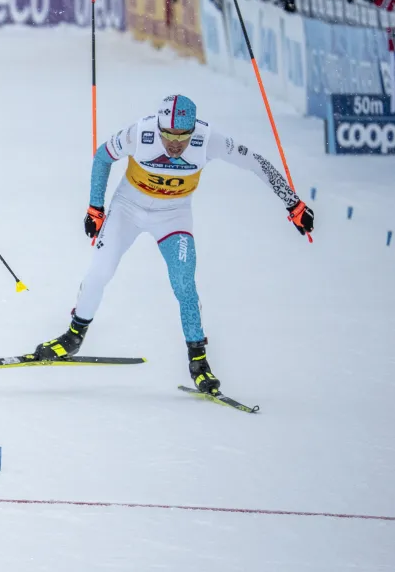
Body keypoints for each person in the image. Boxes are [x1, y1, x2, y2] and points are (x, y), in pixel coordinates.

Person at [31, 95, 315, 395]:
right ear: (159, 126)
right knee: (99, 272)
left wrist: (293, 204)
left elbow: (257, 163)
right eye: (168, 135)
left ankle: (199, 363)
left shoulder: (209, 140)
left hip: (173, 216)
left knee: (184, 284)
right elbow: (103, 157)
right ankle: (73, 337)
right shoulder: (140, 133)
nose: (175, 144)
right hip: (128, 209)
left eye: (183, 137)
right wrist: (95, 208)